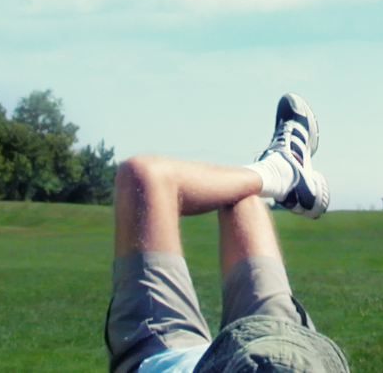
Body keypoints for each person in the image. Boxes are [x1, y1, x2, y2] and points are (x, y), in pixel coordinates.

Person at [106, 93, 349, 373]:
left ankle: (280, 172)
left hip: (168, 360)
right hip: (276, 358)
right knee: (239, 201)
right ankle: (281, 171)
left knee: (147, 177)